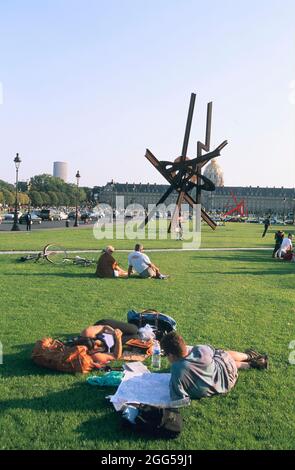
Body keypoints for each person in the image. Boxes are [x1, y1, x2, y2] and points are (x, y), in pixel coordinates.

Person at [160, 332, 268, 401]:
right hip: (228, 374)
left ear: (171, 355)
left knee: (220, 359)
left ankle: (251, 363)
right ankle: (249, 356)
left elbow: (177, 396)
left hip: (221, 384)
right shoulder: (199, 349)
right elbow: (213, 351)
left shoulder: (177, 369)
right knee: (221, 354)